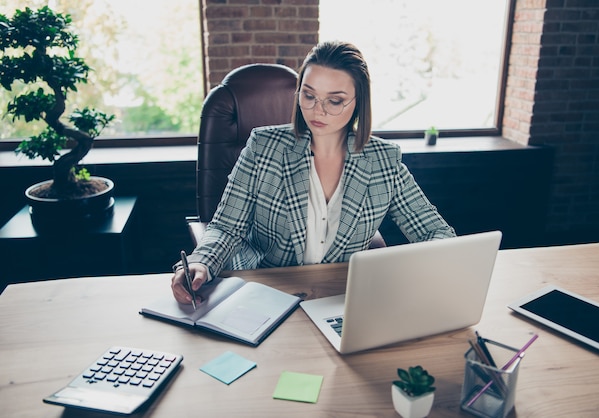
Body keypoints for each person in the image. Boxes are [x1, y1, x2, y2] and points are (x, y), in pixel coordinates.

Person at [171, 40, 455, 305]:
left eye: (334, 101)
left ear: (359, 102)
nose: (317, 110)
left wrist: (417, 270)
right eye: (308, 95)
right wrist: (201, 262)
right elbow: (225, 227)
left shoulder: (383, 160)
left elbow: (435, 233)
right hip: (264, 293)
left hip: (341, 299)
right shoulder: (263, 147)